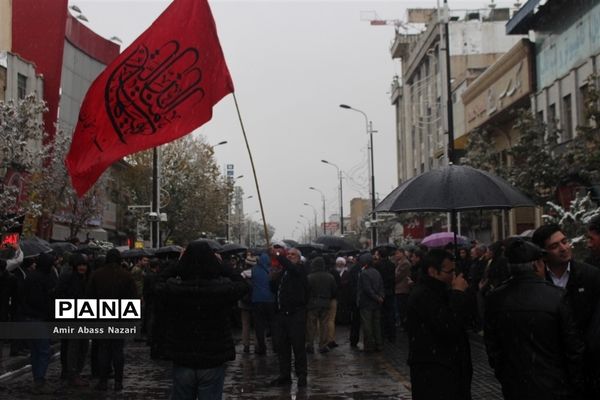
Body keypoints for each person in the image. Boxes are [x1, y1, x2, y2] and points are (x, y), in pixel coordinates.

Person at [485, 237, 585, 400]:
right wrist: (574, 382)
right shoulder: (557, 297)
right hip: (554, 385)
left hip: (515, 385)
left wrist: (504, 373)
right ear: (537, 265)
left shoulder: (495, 298)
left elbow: (493, 346)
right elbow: (573, 347)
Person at [157, 240, 248, 400]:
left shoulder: (175, 289)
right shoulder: (221, 290)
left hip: (183, 355)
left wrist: (178, 264)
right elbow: (243, 285)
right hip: (212, 356)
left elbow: (155, 284)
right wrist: (221, 266)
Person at [532, 224, 600, 397]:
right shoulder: (537, 281)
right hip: (551, 370)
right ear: (543, 254)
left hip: (587, 368)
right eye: (554, 246)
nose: (563, 248)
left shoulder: (590, 276)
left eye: (564, 241)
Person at [406, 249, 471, 400]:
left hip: (450, 369)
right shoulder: (424, 295)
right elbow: (447, 325)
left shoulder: (441, 291)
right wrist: (458, 294)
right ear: (433, 272)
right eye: (449, 271)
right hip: (436, 372)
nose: (453, 275)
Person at [87, 249, 137, 391]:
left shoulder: (97, 275)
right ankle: (118, 382)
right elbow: (133, 298)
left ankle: (103, 381)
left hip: (102, 316)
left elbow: (89, 297)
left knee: (103, 350)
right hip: (120, 317)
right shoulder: (126, 276)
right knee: (117, 350)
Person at [269, 247, 308, 388]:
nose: (290, 256)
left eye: (293, 255)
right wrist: (273, 277)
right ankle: (284, 375)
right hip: (282, 314)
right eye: (289, 254)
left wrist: (278, 256)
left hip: (296, 314)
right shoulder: (284, 271)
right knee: (282, 347)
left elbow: (293, 269)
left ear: (298, 258)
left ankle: (302, 375)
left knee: (298, 346)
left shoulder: (300, 269)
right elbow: (275, 289)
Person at [22, 252, 58, 394]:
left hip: (29, 317)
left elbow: (23, 297)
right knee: (43, 351)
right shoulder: (45, 278)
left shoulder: (30, 277)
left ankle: (37, 377)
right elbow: (43, 301)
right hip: (40, 318)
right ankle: (39, 379)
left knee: (36, 351)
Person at [55, 253, 91, 387]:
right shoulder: (69, 278)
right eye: (80, 265)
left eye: (84, 265)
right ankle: (72, 373)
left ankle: (71, 372)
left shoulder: (85, 278)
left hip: (82, 315)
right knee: (74, 346)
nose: (82, 267)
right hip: (72, 316)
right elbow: (60, 294)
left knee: (77, 345)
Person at [305, 256, 336, 354]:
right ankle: (323, 345)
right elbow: (334, 290)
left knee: (311, 326)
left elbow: (306, 291)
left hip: (312, 304)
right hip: (325, 303)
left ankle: (310, 344)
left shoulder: (309, 277)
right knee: (324, 325)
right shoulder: (330, 276)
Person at [356, 253, 384, 353]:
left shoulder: (364, 273)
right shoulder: (377, 272)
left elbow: (367, 289)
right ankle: (379, 344)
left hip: (367, 303)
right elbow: (381, 286)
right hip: (377, 303)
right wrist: (380, 297)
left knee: (367, 325)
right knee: (377, 325)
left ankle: (369, 346)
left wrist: (376, 297)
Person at [251, 252, 276, 355]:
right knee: (273, 325)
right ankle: (276, 346)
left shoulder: (254, 270)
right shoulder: (272, 271)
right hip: (270, 300)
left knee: (259, 325)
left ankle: (261, 347)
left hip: (257, 300)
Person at [373, 248, 396, 343]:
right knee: (390, 314)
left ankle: (382, 334)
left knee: (381, 315)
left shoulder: (377, 265)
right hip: (390, 291)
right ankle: (391, 335)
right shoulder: (392, 265)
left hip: (381, 292)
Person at [393, 248, 411, 331]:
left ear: (402, 253)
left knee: (402, 308)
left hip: (402, 289)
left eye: (397, 254)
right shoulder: (399, 263)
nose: (396, 255)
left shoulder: (405, 263)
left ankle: (404, 325)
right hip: (399, 289)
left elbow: (397, 276)